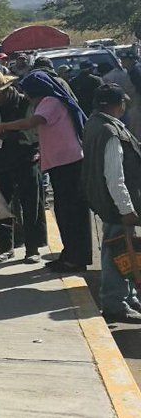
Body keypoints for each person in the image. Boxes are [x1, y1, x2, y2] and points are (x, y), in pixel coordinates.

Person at [0, 71, 91, 273]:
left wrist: (3, 126)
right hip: (62, 164)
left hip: (67, 165)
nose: (26, 97)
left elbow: (30, 123)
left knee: (70, 214)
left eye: (28, 92)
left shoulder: (50, 102)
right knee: (65, 212)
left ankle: (75, 258)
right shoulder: (50, 101)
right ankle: (70, 254)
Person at [81, 84, 141, 323]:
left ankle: (128, 295)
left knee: (126, 250)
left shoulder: (95, 124)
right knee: (117, 253)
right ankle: (115, 303)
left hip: (106, 202)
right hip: (117, 206)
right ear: (117, 104)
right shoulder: (109, 131)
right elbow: (114, 177)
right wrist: (126, 209)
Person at [0, 71, 44, 264]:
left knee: (31, 206)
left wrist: (4, 130)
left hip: (25, 159)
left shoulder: (24, 102)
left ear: (7, 90)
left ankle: (32, 249)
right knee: (0, 205)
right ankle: (5, 247)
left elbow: (32, 133)